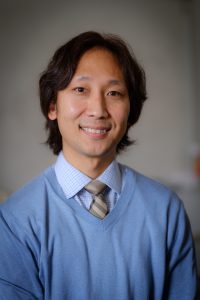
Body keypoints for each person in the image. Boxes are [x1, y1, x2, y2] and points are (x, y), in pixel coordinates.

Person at [0, 31, 198, 300]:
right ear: (52, 106)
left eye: (114, 93)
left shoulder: (166, 210)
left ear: (131, 110)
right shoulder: (15, 220)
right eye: (81, 90)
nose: (98, 109)